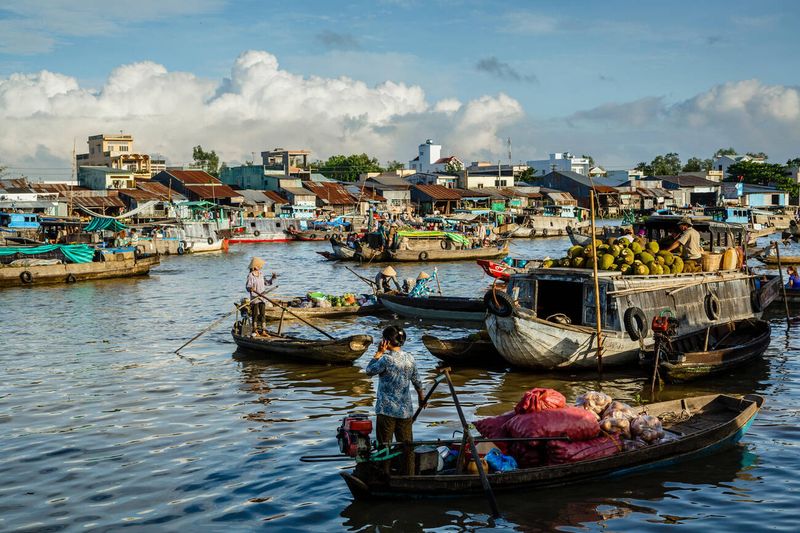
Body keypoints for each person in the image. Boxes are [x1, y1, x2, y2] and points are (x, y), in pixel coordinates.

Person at [365, 325, 424, 475]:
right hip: (405, 411)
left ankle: (384, 475)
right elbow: (417, 381)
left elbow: (369, 371)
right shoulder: (410, 358)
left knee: (384, 446)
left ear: (386, 341)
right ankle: (409, 475)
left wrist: (378, 352)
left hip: (386, 411)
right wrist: (421, 397)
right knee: (407, 446)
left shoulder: (386, 359)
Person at [246, 257, 276, 335]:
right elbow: (247, 286)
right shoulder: (250, 275)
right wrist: (250, 288)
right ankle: (255, 330)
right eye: (258, 266)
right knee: (255, 315)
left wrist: (272, 278)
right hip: (255, 298)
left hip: (262, 298)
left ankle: (263, 331)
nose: (260, 267)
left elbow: (267, 283)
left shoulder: (261, 274)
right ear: (254, 267)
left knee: (263, 315)